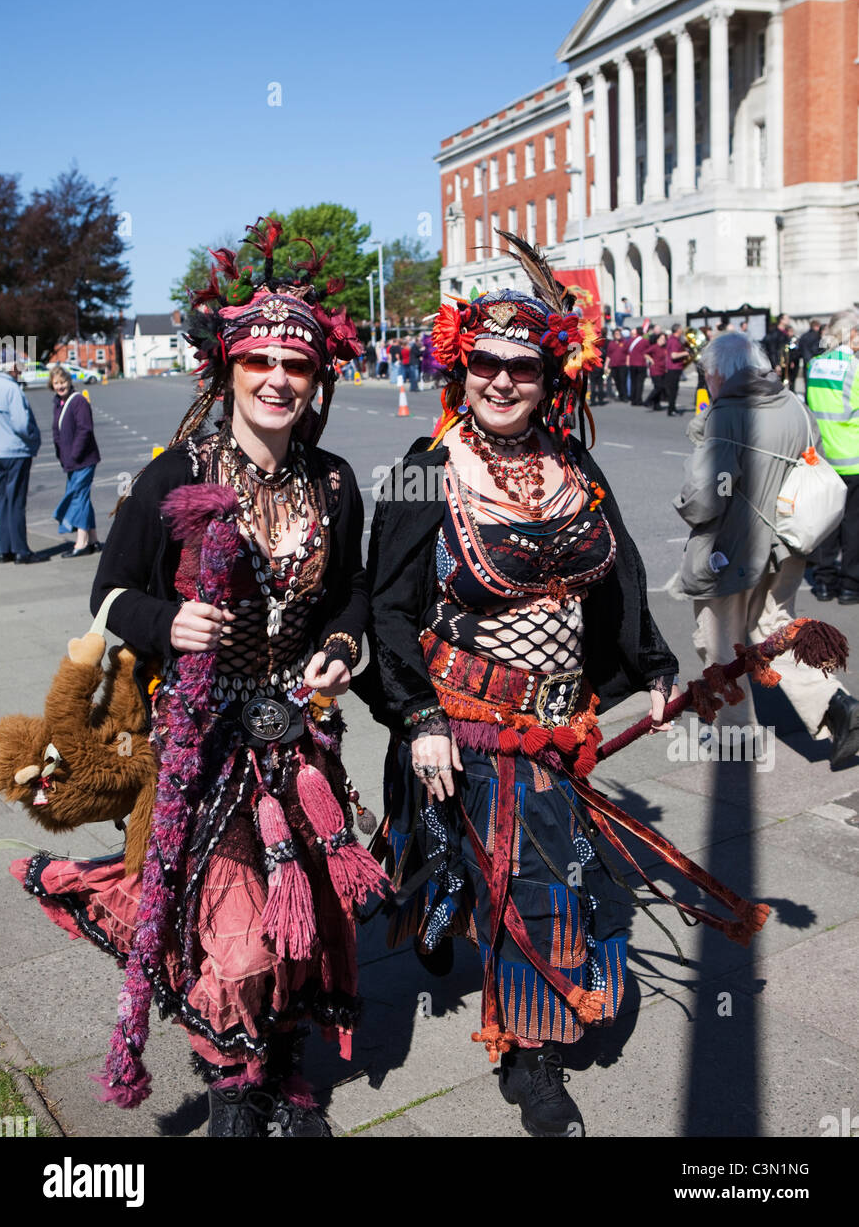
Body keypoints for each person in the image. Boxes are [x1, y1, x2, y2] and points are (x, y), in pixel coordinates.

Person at [364, 234, 769, 1139]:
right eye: (486, 366)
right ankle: (528, 1054)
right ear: (460, 368)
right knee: (511, 881)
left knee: (542, 883)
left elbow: (620, 580)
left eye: (525, 369)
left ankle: (508, 1012)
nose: (502, 383)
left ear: (555, 380)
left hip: (560, 727)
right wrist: (419, 715)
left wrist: (659, 670)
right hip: (465, 723)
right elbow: (383, 608)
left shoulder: (576, 470)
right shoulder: (419, 469)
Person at [10, 219, 385, 1135]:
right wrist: (165, 622)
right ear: (228, 371)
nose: (276, 381)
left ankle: (287, 1069)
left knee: (303, 912)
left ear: (316, 380)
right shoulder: (177, 471)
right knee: (231, 930)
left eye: (295, 368)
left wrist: (343, 643)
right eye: (258, 362)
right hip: (199, 742)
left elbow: (352, 593)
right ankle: (230, 1085)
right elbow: (107, 596)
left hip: (299, 738)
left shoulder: (335, 484)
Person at [674, 331, 859, 767]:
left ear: (718, 372)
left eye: (706, 374)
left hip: (735, 547)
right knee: (774, 628)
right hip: (791, 540)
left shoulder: (727, 414)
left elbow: (703, 496)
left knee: (720, 640)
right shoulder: (792, 403)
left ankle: (736, 737)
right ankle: (837, 705)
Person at [806, 310, 859, 606]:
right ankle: (850, 585)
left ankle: (824, 582)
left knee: (827, 522)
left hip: (823, 456)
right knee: (853, 525)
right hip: (853, 455)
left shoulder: (814, 365)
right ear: (850, 334)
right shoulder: (855, 368)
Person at [49, 364, 101, 558]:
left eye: (63, 382)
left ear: (70, 382)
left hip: (83, 459)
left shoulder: (78, 401)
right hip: (70, 461)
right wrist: (63, 456)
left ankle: (82, 542)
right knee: (83, 497)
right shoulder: (58, 402)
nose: (60, 386)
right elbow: (57, 432)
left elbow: (85, 429)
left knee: (78, 497)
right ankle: (94, 539)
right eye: (56, 383)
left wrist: (74, 454)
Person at [0, 354, 41, 564]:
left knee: (2, 500)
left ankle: (5, 550)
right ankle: (21, 550)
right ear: (10, 367)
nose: (20, 370)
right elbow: (21, 424)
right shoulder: (12, 389)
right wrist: (33, 438)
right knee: (16, 502)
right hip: (15, 452)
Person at [645, 332, 669, 411]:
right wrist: (651, 360)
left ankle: (656, 404)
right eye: (662, 339)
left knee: (659, 388)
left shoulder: (664, 348)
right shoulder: (654, 347)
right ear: (658, 339)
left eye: (664, 339)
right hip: (655, 369)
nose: (663, 341)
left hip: (662, 369)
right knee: (659, 387)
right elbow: (645, 353)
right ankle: (648, 400)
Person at [797, 319, 823, 393]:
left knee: (807, 381)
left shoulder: (803, 336)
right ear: (816, 326)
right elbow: (816, 350)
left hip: (806, 361)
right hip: (815, 361)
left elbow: (800, 349)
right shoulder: (817, 336)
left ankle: (806, 398)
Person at [626, 327, 649, 406]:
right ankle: (638, 400)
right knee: (640, 383)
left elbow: (628, 351)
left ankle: (633, 400)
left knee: (633, 382)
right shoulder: (645, 341)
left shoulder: (630, 341)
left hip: (632, 364)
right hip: (641, 364)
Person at [606, 327, 628, 401]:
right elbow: (608, 355)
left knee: (623, 380)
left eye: (619, 334)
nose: (617, 335)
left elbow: (628, 353)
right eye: (616, 334)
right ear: (613, 335)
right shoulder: (611, 344)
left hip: (622, 365)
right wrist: (606, 365)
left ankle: (625, 396)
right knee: (617, 381)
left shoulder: (624, 342)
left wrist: (628, 363)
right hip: (614, 365)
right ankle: (621, 395)